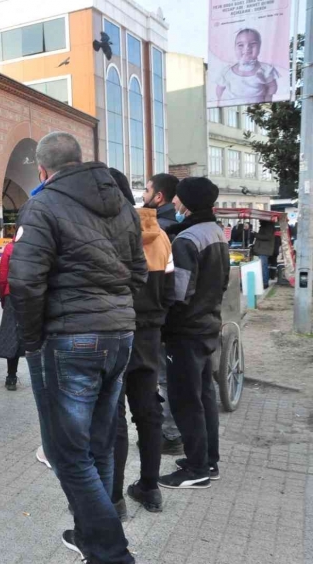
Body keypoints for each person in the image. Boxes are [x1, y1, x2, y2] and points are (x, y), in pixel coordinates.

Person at [9, 132, 146, 564]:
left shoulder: (43, 204)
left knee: (67, 454)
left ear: (43, 170)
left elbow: (26, 281)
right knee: (98, 446)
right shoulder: (121, 203)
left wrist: (33, 341)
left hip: (70, 339)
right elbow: (138, 271)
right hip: (118, 334)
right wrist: (116, 309)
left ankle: (110, 551)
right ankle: (92, 537)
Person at [108, 168, 174, 517]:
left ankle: (114, 498)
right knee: (149, 413)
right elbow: (173, 292)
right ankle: (150, 488)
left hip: (116, 331)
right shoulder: (161, 237)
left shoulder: (110, 236)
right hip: (150, 334)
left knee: (114, 417)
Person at [160, 177, 229, 489]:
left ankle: (196, 469)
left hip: (186, 332)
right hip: (209, 326)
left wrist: (163, 321)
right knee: (204, 396)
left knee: (186, 400)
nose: (173, 203)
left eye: (177, 199)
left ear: (186, 203)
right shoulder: (216, 232)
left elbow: (179, 292)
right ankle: (207, 460)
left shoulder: (187, 240)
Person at [142, 172, 183, 455]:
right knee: (166, 377)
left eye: (146, 190)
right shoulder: (178, 227)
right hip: (167, 315)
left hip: (154, 320)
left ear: (158, 196)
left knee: (160, 378)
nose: (143, 196)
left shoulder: (162, 230)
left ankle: (169, 434)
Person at [216, 28, 279, 105]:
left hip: (256, 108)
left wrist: (268, 98)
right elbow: (219, 89)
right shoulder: (227, 71)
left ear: (260, 47)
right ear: (234, 48)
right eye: (240, 45)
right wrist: (219, 102)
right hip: (232, 106)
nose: (247, 48)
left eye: (252, 44)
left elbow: (272, 86)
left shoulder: (266, 69)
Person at [0, 240, 20, 391]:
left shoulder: (10, 247)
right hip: (35, 294)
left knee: (12, 335)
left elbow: (2, 277)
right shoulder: (39, 245)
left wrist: (3, 298)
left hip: (12, 294)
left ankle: (11, 377)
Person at [252, 220, 276, 288]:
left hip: (264, 250)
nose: (259, 221)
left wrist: (256, 234)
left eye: (260, 220)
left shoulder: (268, 227)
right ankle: (263, 282)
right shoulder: (265, 226)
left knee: (263, 266)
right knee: (263, 266)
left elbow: (267, 237)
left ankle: (265, 282)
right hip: (263, 250)